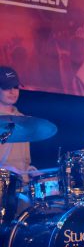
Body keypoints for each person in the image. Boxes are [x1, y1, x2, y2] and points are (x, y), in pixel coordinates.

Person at [0, 66, 36, 220]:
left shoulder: (23, 119)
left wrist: (29, 169)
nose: (12, 92)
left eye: (15, 87)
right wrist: (6, 169)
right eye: (6, 87)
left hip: (21, 188)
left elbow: (23, 160)